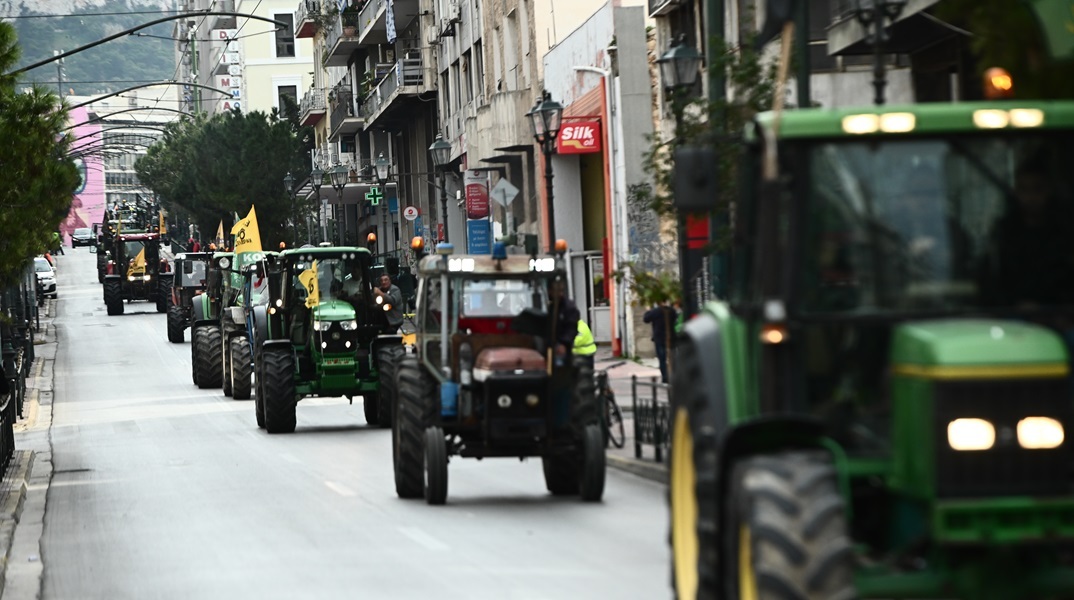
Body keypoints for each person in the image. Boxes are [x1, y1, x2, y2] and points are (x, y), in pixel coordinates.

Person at [549, 279, 580, 366]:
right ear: (550, 291)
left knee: (559, 362)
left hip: (562, 344)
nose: (560, 294)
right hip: (548, 343)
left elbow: (571, 328)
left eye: (561, 290)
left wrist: (563, 343)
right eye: (557, 290)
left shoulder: (568, 308)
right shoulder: (549, 306)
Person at [644, 302, 678, 383]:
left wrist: (648, 310)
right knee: (672, 358)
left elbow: (646, 319)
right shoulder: (672, 311)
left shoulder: (655, 311)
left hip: (659, 338)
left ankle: (665, 377)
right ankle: (674, 376)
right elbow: (675, 319)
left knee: (662, 359)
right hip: (671, 337)